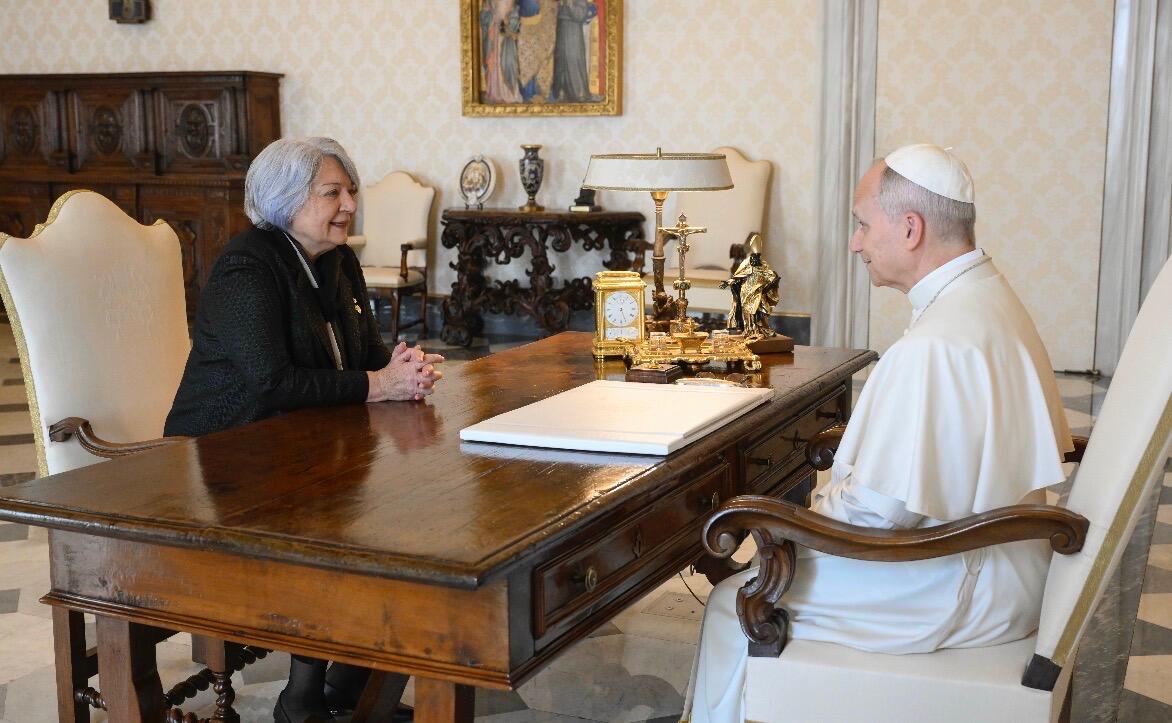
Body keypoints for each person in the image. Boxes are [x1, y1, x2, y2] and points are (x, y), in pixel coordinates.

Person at [682, 144, 1073, 722]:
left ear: (910, 228)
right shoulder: (986, 294)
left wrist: (789, 517)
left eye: (863, 225)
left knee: (734, 601)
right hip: (1008, 557)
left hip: (957, 582)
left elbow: (878, 515)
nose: (855, 243)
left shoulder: (933, 345)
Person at [165, 136, 443, 722]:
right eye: (332, 192)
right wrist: (377, 385)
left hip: (302, 437)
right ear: (286, 200)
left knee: (403, 511)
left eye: (351, 191)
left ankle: (354, 682)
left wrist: (401, 370)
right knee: (334, 520)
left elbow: (367, 356)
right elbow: (272, 382)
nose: (349, 204)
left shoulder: (337, 261)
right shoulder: (248, 265)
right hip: (223, 450)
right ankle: (302, 696)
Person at [720, 232, 779, 338]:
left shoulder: (763, 265)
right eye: (754, 257)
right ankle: (749, 329)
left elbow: (770, 276)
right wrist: (728, 283)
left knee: (762, 310)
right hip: (746, 292)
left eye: (757, 257)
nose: (755, 259)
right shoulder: (746, 264)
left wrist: (774, 280)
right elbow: (737, 276)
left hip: (759, 292)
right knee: (747, 311)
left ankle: (762, 328)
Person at [549, 0, 598, 102]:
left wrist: (569, 4)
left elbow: (580, 15)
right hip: (561, 29)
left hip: (573, 31)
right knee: (560, 60)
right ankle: (559, 92)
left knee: (573, 61)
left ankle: (578, 93)